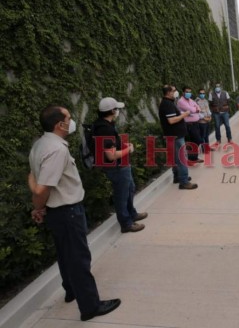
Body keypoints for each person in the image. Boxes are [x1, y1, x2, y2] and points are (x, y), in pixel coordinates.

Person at [28, 105, 121, 321]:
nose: (72, 121)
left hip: (57, 212)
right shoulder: (57, 150)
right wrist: (38, 204)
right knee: (79, 258)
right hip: (67, 212)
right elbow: (42, 188)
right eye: (69, 117)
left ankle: (71, 290)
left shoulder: (40, 145)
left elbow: (32, 177)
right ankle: (90, 306)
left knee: (65, 254)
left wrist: (40, 207)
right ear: (60, 124)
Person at [93, 97, 148, 233]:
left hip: (120, 165)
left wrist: (124, 146)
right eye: (116, 108)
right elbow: (111, 155)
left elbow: (112, 145)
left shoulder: (106, 124)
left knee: (129, 188)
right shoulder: (104, 129)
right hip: (116, 167)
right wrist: (128, 150)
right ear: (112, 110)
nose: (118, 111)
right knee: (122, 194)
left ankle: (132, 214)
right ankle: (126, 223)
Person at [158, 85, 198, 190]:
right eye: (174, 90)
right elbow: (171, 120)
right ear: (169, 93)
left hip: (173, 135)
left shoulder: (169, 103)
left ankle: (177, 177)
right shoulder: (167, 104)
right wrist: (184, 115)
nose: (176, 92)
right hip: (175, 135)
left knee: (175, 157)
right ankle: (184, 181)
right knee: (181, 158)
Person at [177, 86, 204, 164]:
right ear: (183, 92)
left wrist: (195, 109)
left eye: (189, 92)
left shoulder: (191, 100)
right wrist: (195, 109)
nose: (188, 93)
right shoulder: (181, 101)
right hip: (188, 124)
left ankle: (193, 158)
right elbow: (192, 110)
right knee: (196, 140)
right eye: (187, 92)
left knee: (195, 141)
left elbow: (198, 107)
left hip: (195, 123)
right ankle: (191, 157)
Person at [208, 82, 232, 148]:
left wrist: (226, 108)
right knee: (217, 126)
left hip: (225, 112)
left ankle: (229, 138)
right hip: (216, 113)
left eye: (218, 86)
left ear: (220, 87)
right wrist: (213, 110)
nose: (217, 88)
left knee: (227, 126)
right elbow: (210, 103)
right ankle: (218, 140)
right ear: (215, 87)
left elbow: (228, 101)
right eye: (216, 87)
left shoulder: (225, 93)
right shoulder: (211, 94)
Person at [195, 88, 212, 154]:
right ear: (198, 94)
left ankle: (207, 147)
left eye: (203, 93)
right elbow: (197, 112)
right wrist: (204, 118)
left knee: (207, 135)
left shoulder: (206, 100)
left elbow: (208, 109)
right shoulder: (196, 101)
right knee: (202, 136)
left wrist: (210, 116)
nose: (202, 94)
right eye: (201, 93)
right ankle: (204, 149)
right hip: (201, 122)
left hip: (207, 121)